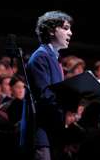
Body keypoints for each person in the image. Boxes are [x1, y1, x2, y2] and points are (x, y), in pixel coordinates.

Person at [27, 11, 73, 160]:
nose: (70, 33)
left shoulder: (54, 57)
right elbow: (45, 96)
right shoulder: (41, 56)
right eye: (66, 28)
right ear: (52, 30)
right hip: (42, 133)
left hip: (53, 133)